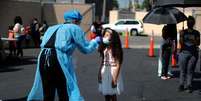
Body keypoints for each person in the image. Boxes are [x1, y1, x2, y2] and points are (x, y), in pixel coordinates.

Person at [27, 10, 101, 101]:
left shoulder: (51, 28)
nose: (79, 24)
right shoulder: (74, 28)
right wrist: (95, 41)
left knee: (48, 91)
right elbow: (85, 48)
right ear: (75, 21)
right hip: (57, 58)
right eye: (79, 21)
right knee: (64, 89)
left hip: (43, 57)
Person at [98, 28, 124, 101]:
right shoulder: (104, 48)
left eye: (107, 35)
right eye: (104, 35)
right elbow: (102, 62)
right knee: (106, 93)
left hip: (113, 72)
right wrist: (99, 74)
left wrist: (115, 79)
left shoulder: (116, 49)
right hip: (105, 71)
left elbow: (118, 65)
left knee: (113, 94)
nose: (105, 37)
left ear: (112, 37)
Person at [178, 16, 200, 93]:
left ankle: (188, 85)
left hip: (193, 54)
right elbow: (181, 43)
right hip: (184, 53)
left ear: (192, 24)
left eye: (190, 22)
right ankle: (182, 84)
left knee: (189, 70)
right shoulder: (183, 32)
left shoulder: (196, 33)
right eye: (189, 22)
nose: (189, 23)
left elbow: (198, 43)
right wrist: (181, 35)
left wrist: (191, 39)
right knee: (184, 70)